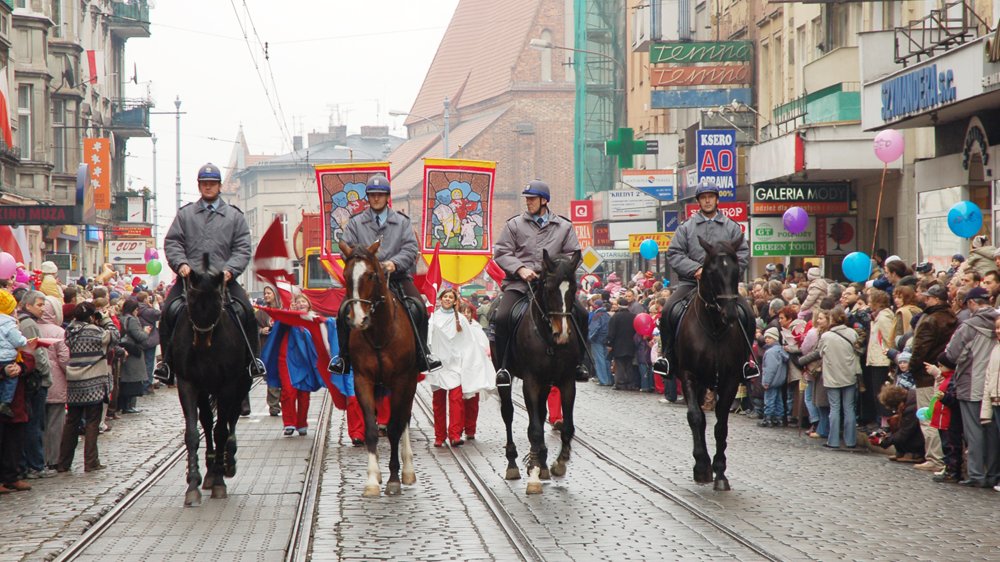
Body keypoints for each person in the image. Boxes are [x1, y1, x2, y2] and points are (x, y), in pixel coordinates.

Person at [155, 162, 261, 384]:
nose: (208, 187)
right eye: (205, 184)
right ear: (199, 186)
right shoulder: (185, 215)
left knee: (248, 313)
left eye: (212, 184)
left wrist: (230, 271)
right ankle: (166, 364)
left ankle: (253, 361)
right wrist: (181, 264)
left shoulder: (235, 217)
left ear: (220, 186)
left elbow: (243, 248)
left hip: (223, 281)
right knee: (168, 312)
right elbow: (173, 242)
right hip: (190, 282)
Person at [328, 174, 441, 376]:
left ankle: (423, 353)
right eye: (372, 195)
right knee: (343, 311)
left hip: (396, 277)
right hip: (365, 280)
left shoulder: (402, 221)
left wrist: (393, 264)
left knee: (419, 307)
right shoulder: (355, 223)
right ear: (368, 198)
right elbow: (346, 248)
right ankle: (343, 357)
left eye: (380, 195)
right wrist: (362, 263)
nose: (376, 198)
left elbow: (410, 248)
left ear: (387, 196)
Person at [490, 179, 590, 384]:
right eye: (527, 199)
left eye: (532, 199)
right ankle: (503, 368)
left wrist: (557, 271)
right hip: (520, 284)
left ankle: (580, 363)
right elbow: (501, 251)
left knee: (582, 313)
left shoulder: (564, 226)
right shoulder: (514, 224)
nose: (528, 202)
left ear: (544, 200)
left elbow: (574, 254)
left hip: (552, 285)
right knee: (502, 317)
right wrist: (520, 269)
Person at [656, 182, 751, 377]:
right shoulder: (686, 228)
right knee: (667, 311)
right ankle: (667, 357)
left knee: (747, 314)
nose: (707, 200)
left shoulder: (732, 227)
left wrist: (727, 274)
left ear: (717, 199)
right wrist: (696, 269)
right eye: (703, 197)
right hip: (691, 283)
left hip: (723, 287)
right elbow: (674, 253)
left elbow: (742, 255)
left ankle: (747, 362)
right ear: (698, 201)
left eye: (711, 196)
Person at [938, 286, 1000, 487]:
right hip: (993, 384)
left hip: (972, 382)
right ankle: (991, 474)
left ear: (972, 302)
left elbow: (951, 356)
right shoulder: (997, 321)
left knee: (974, 432)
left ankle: (976, 475)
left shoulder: (969, 325)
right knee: (992, 433)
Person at [58, 302, 118, 473]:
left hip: (74, 381)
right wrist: (105, 318)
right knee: (92, 422)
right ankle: (91, 461)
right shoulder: (96, 331)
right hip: (93, 382)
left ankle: (64, 462)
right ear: (92, 316)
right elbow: (115, 335)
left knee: (72, 422)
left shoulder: (69, 330)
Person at [907, 284, 957, 472]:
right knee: (938, 416)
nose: (925, 300)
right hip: (944, 371)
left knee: (928, 416)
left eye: (928, 298)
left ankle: (934, 458)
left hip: (927, 373)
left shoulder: (930, 320)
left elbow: (920, 349)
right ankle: (939, 457)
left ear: (936, 300)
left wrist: (912, 367)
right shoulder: (951, 316)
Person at [261, 294, 325, 437]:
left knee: (304, 393)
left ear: (309, 305)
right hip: (287, 359)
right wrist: (289, 313)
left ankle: (302, 423)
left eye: (304, 301)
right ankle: (289, 423)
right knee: (288, 392)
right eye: (298, 301)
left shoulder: (313, 319)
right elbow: (278, 324)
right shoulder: (288, 317)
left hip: (306, 362)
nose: (301, 303)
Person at [799, 306, 860, 450]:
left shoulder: (826, 336)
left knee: (835, 408)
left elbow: (818, 353)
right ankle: (850, 441)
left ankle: (833, 441)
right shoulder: (852, 333)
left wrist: (802, 361)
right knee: (849, 408)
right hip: (849, 374)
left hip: (832, 376)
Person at [426, 288, 470, 446]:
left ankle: (455, 434)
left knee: (456, 400)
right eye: (445, 296)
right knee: (438, 403)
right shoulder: (432, 318)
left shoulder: (461, 320)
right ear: (440, 298)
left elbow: (468, 343)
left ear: (455, 301)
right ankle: (439, 436)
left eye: (451, 297)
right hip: (437, 366)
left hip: (454, 365)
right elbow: (427, 339)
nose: (448, 299)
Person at [17, 291, 52, 479]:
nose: (43, 308)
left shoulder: (23, 321)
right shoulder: (29, 324)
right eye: (39, 304)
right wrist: (46, 372)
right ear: (28, 305)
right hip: (36, 379)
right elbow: (36, 352)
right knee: (34, 423)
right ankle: (36, 464)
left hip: (29, 377)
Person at [37, 296, 68, 471]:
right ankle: (53, 457)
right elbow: (65, 359)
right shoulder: (58, 331)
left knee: (39, 423)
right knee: (55, 422)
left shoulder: (31, 327)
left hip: (38, 381)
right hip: (55, 381)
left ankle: (39, 457)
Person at [117, 299, 151, 415]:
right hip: (133, 351)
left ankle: (127, 405)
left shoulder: (123, 317)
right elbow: (139, 336)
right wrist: (146, 332)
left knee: (129, 380)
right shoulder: (131, 319)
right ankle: (128, 406)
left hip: (128, 349)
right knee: (132, 380)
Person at [256, 286, 281, 417]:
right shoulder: (261, 312)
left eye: (268, 293)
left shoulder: (282, 309)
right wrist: (261, 330)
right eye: (264, 293)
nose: (266, 295)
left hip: (281, 347)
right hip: (267, 348)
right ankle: (274, 406)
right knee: (271, 376)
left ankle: (284, 400)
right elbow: (253, 326)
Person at [0, 291, 26, 418]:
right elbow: (18, 341)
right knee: (11, 380)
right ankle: (5, 402)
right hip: (8, 358)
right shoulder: (9, 324)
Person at [759, 327, 789, 428]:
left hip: (772, 381)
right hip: (779, 380)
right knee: (778, 399)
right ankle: (779, 418)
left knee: (769, 399)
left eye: (770, 337)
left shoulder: (770, 352)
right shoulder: (780, 350)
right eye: (766, 337)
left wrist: (766, 382)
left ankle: (768, 418)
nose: (767, 339)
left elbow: (769, 369)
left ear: (775, 339)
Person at [607, 297, 637, 390]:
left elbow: (611, 332)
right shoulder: (633, 316)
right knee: (629, 365)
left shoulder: (615, 317)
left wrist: (609, 344)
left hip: (618, 344)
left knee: (619, 365)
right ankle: (630, 383)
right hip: (631, 344)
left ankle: (620, 383)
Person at [588, 299, 612, 386]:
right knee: (606, 360)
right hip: (606, 340)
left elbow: (595, 328)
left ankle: (603, 380)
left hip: (597, 340)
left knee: (599, 360)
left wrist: (590, 338)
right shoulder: (607, 315)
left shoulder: (597, 315)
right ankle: (609, 379)